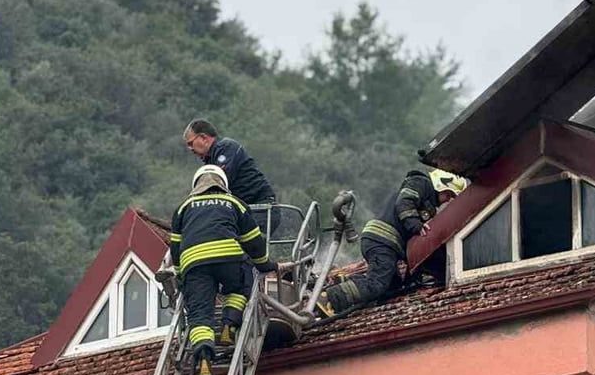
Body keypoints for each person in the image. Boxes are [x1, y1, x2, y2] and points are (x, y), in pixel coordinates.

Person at [169, 164, 275, 375]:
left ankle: (205, 359)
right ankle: (229, 324)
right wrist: (264, 264)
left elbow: (175, 249)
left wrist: (181, 276)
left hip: (194, 264)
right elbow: (253, 241)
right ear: (223, 183)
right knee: (241, 285)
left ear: (196, 185)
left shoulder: (183, 207)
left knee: (199, 314)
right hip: (229, 258)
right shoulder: (234, 203)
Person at [317, 169, 468, 317]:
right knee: (377, 284)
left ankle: (343, 282)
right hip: (382, 240)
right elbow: (404, 202)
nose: (448, 200)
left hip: (384, 242)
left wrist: (412, 275)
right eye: (448, 194)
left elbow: (411, 242)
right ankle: (329, 298)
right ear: (441, 184)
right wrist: (416, 224)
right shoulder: (421, 183)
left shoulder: (427, 202)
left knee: (391, 287)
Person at [182, 119, 280, 238]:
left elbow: (215, 187)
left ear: (203, 138)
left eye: (191, 143)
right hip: (243, 212)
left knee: (244, 247)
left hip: (261, 210)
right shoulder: (210, 162)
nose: (190, 149)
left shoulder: (226, 148)